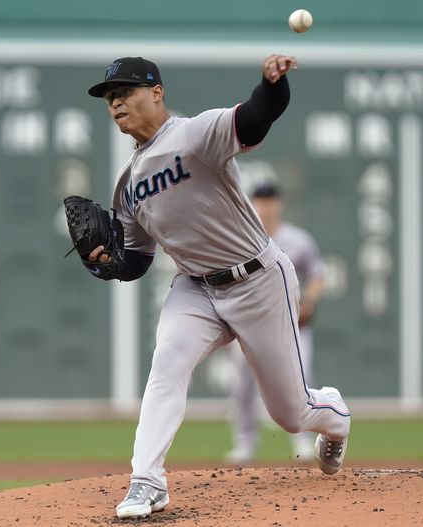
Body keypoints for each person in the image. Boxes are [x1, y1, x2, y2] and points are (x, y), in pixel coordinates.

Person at [84, 54, 351, 520]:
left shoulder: (195, 134)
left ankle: (334, 416)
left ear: (157, 93)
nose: (116, 104)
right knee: (167, 362)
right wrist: (109, 262)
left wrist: (271, 85)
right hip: (196, 289)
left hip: (258, 279)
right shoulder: (127, 184)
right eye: (110, 98)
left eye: (125, 93)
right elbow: (137, 261)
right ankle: (147, 482)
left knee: (291, 414)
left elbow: (254, 118)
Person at [225, 180, 326, 465]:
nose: (264, 206)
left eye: (269, 200)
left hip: (291, 325)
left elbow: (317, 273)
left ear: (278, 204)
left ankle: (303, 440)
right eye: (259, 200)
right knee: (242, 385)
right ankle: (244, 443)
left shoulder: (298, 240)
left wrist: (310, 299)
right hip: (248, 325)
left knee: (302, 379)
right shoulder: (240, 238)